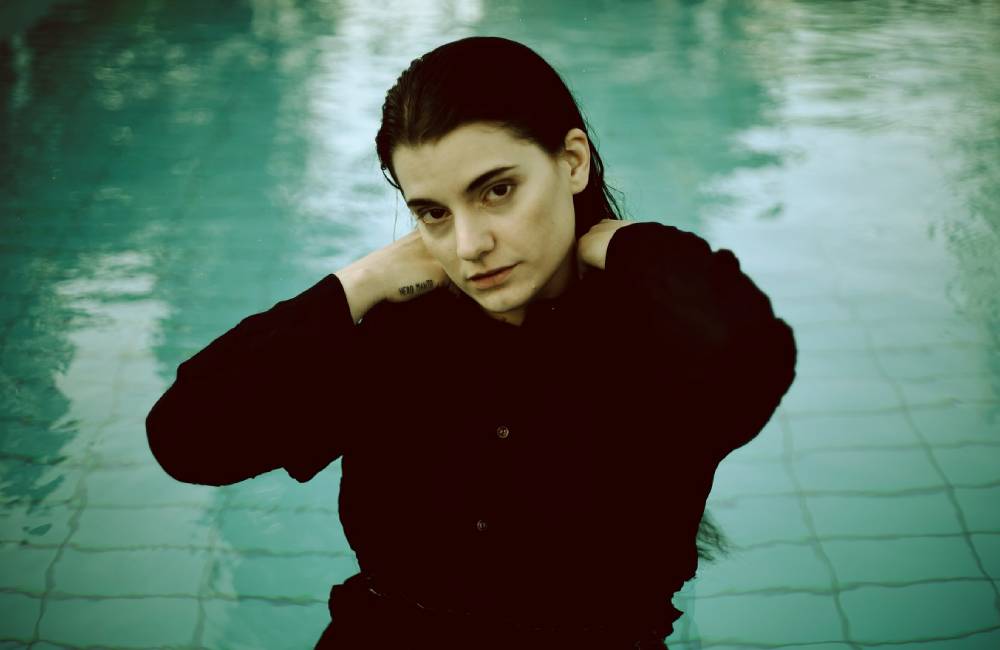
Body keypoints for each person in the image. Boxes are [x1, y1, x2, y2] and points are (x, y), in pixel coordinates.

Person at [145, 36, 797, 649]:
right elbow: (189, 441)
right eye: (433, 212)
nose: (468, 244)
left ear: (572, 161)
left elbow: (750, 356)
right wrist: (360, 282)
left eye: (497, 191)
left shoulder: (655, 339)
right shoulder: (395, 341)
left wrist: (623, 242)